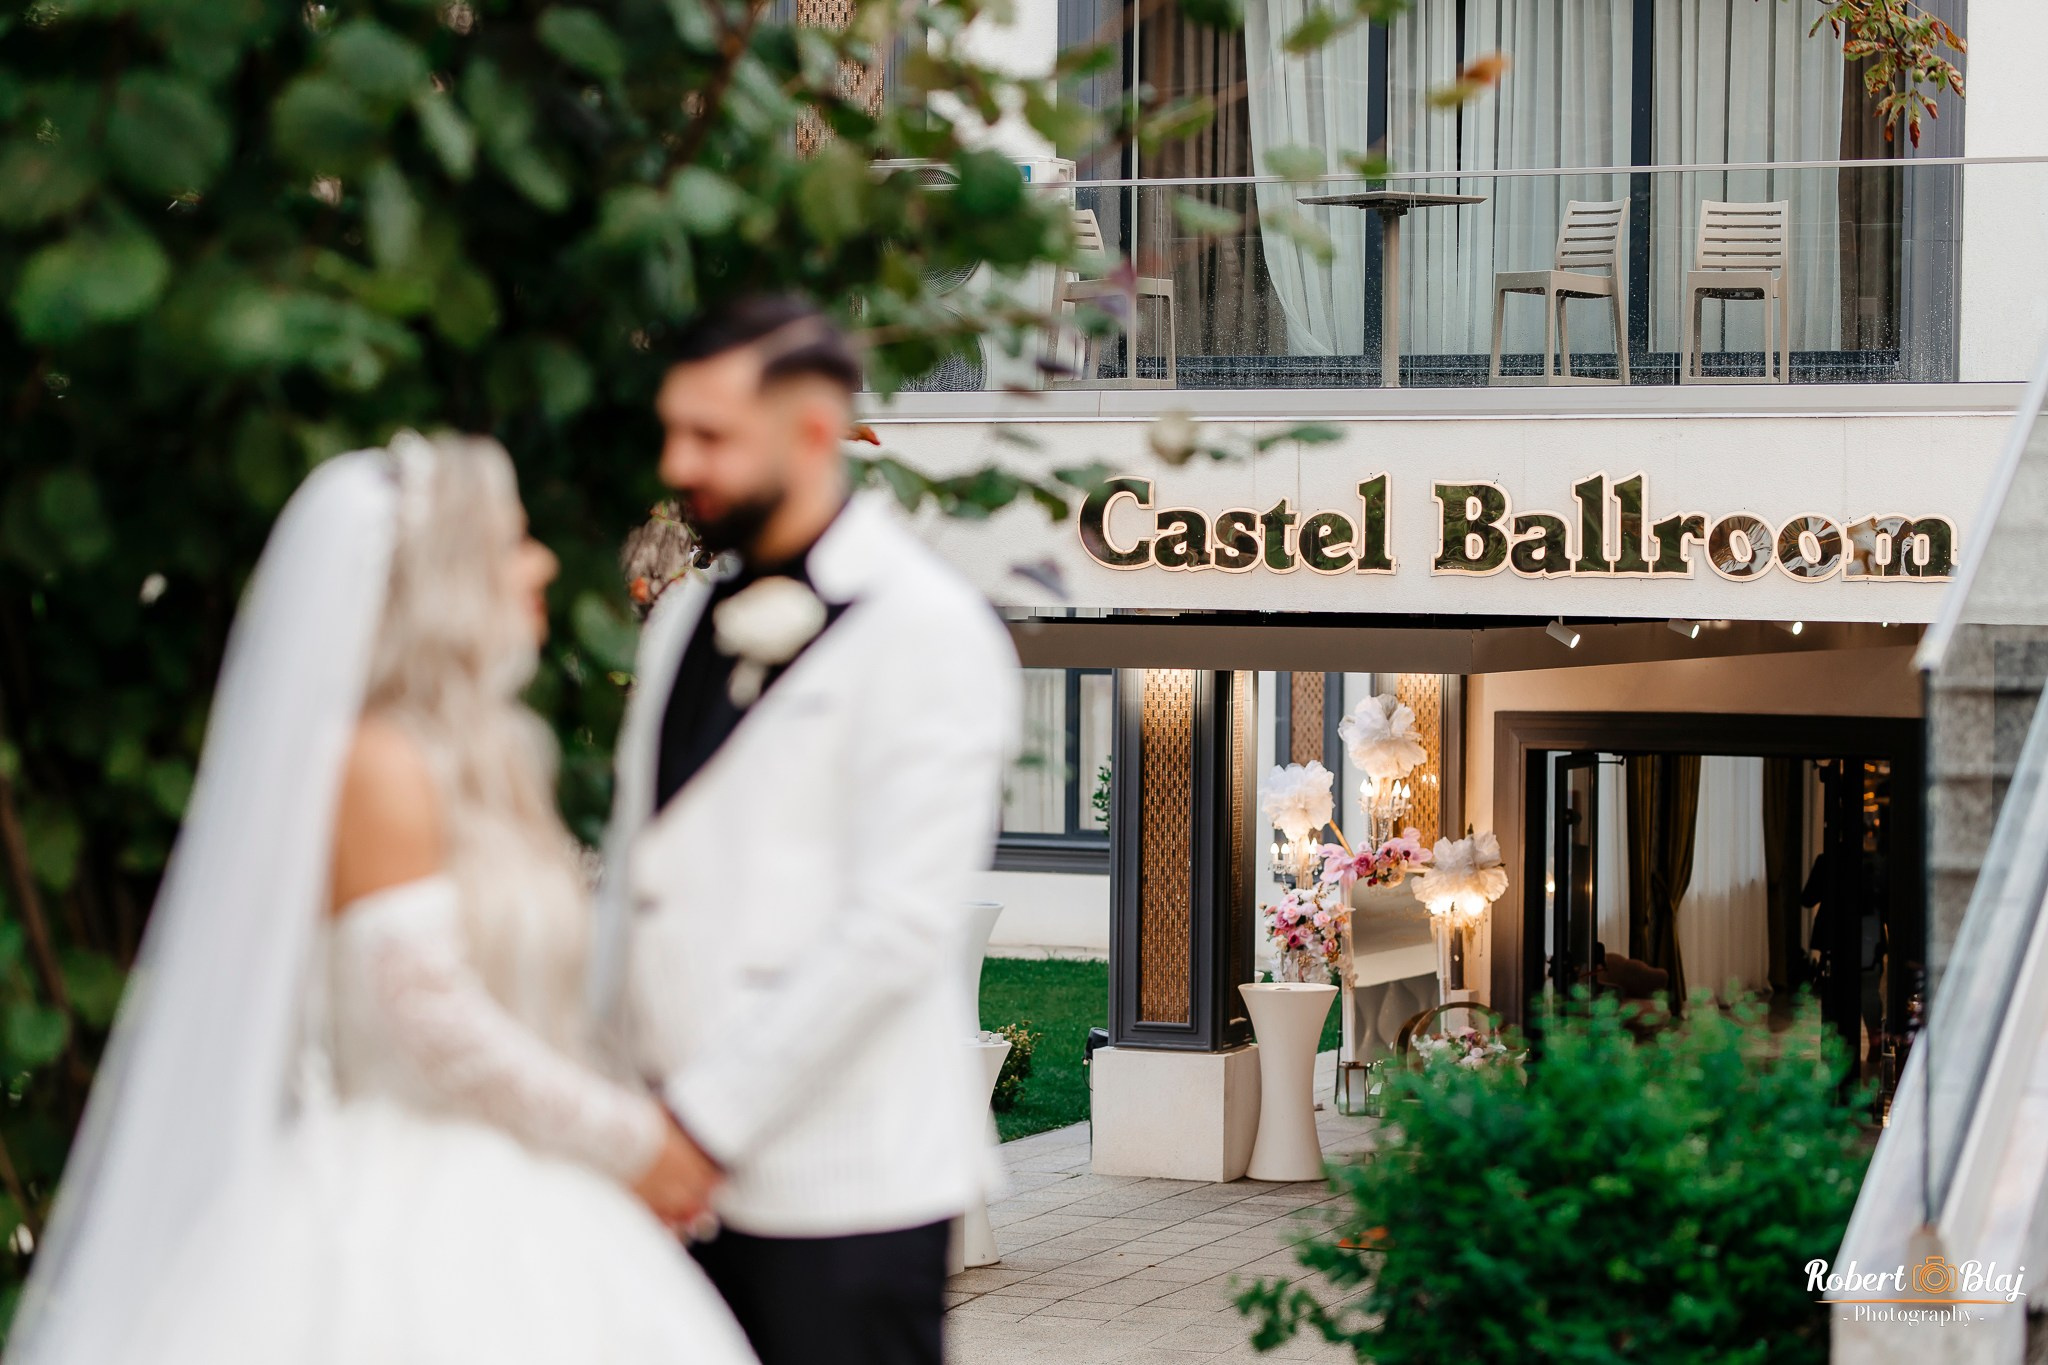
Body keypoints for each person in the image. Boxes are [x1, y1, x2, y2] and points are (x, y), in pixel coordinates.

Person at [7, 436, 755, 1365]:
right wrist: (628, 1139)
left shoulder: (494, 760)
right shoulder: (373, 764)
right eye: (512, 543)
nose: (543, 564)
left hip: (529, 1190)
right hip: (399, 1216)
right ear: (442, 579)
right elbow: (426, 1010)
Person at [589, 297, 1021, 1365]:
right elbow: (642, 879)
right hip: (659, 1174)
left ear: (815, 429)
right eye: (674, 431)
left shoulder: (929, 630)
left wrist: (702, 1126)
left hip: (842, 1187)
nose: (679, 463)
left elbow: (895, 927)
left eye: (712, 435)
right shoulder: (682, 618)